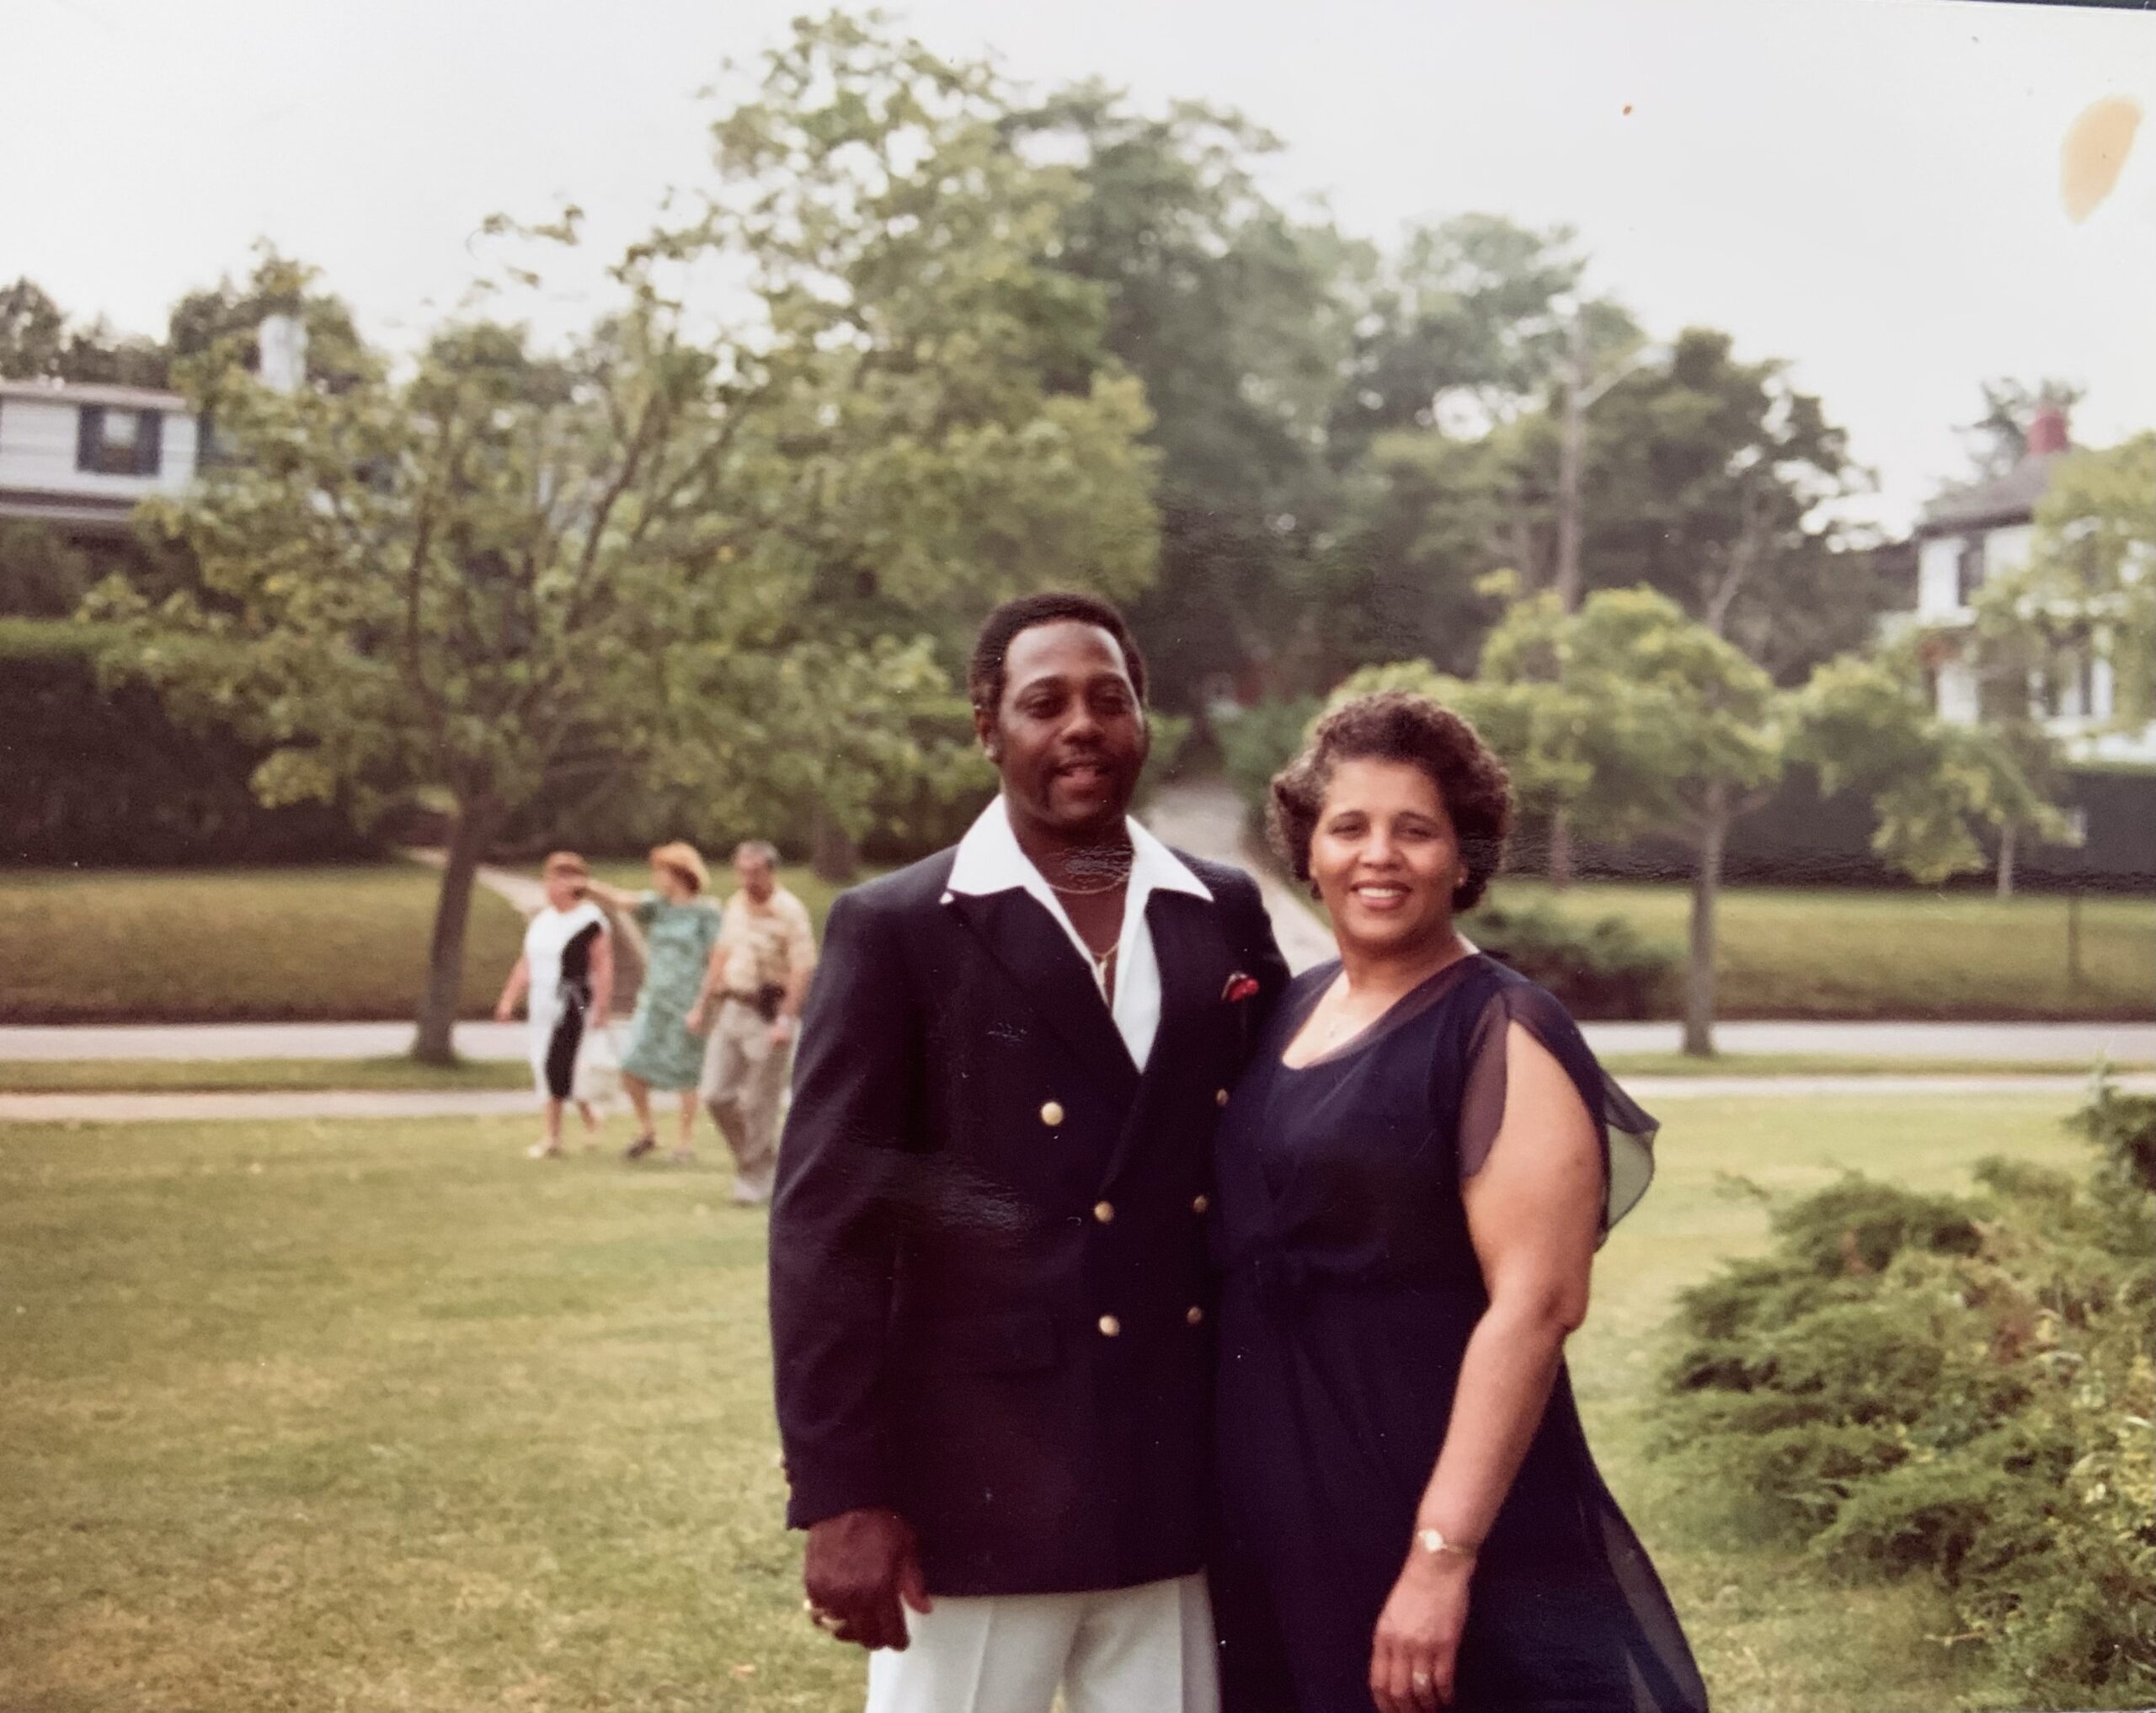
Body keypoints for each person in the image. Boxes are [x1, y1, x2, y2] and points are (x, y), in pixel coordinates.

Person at [771, 591, 1290, 1713]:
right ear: (987, 727)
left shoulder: (1223, 910)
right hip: (973, 1487)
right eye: (1043, 701)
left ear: (1145, 720)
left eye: (1111, 699)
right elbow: (826, 1225)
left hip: (1175, 1472)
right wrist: (839, 1490)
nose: (1082, 725)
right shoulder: (899, 925)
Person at [1209, 691, 1708, 1713]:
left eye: (1415, 830)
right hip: (1282, 1492)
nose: (1377, 855)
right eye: (1348, 826)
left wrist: (1441, 1557)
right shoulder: (1294, 1005)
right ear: (1307, 850)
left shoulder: (1504, 1032)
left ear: (1464, 856)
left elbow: (1536, 1307)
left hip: (1428, 1500)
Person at [687, 840, 817, 1206]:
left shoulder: (789, 911)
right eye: (742, 871)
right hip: (733, 1006)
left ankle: (753, 1176)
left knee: (761, 1101)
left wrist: (787, 1019)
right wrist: (702, 1004)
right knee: (715, 1094)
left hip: (769, 1011)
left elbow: (802, 966)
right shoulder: (735, 906)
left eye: (755, 872)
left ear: (770, 871)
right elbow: (722, 954)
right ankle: (764, 1163)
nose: (748, 879)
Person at [587, 842, 721, 1164]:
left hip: (688, 1000)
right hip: (655, 999)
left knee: (685, 1071)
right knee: (632, 1065)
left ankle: (685, 1142)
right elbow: (623, 900)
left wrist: (703, 1004)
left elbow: (716, 960)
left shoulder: (707, 912)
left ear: (679, 874)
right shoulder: (657, 907)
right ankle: (647, 1130)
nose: (657, 878)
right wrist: (590, 886)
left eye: (661, 871)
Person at [494, 851, 614, 1159]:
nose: (549, 886)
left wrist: (601, 1006)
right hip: (542, 1000)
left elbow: (602, 966)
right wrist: (509, 998)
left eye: (557, 880)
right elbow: (527, 962)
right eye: (548, 878)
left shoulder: (589, 921)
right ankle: (590, 1118)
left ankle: (552, 1138)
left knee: (556, 1064)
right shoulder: (543, 920)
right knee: (548, 1064)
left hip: (574, 1002)